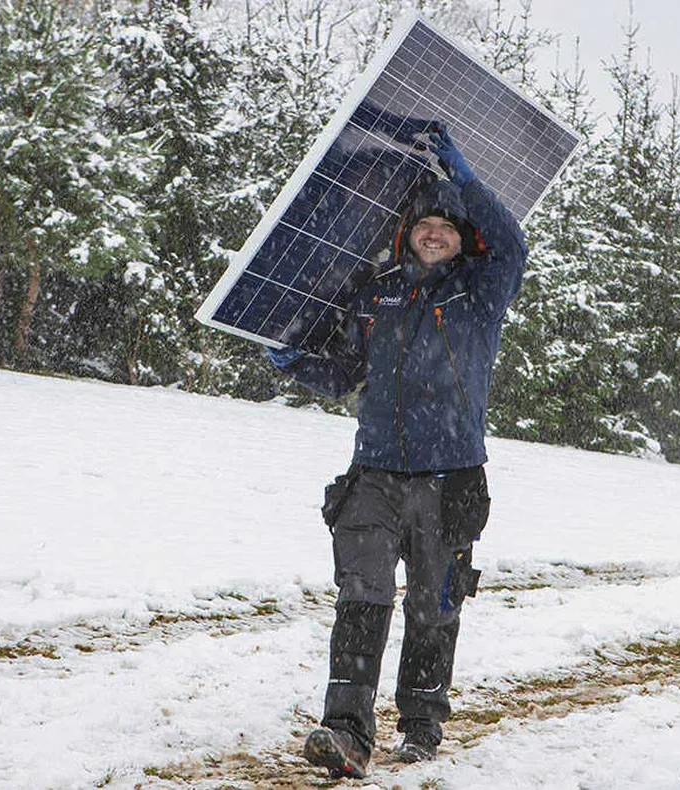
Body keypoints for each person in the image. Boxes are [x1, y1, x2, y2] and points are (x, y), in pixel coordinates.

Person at [266, 123, 527, 779]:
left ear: (464, 237)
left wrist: (464, 179)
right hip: (375, 473)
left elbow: (514, 247)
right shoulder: (377, 293)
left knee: (433, 606)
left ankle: (420, 725)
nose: (433, 231)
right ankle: (347, 731)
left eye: (447, 225)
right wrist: (293, 359)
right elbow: (343, 372)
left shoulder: (481, 292)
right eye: (423, 223)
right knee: (364, 595)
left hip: (451, 477)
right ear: (407, 231)